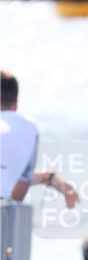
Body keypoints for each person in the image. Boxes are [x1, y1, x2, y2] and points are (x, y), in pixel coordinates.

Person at [1, 70, 79, 205]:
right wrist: (49, 178)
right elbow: (17, 194)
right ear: (15, 105)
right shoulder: (29, 128)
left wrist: (47, 178)